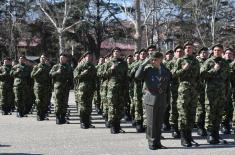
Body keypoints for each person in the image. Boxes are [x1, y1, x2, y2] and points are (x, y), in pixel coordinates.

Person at [135, 52, 170, 150]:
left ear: (161, 59)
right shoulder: (148, 70)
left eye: (156, 59)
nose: (153, 61)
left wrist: (168, 99)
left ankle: (158, 142)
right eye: (152, 59)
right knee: (151, 123)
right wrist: (143, 64)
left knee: (159, 122)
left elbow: (167, 86)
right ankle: (151, 142)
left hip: (162, 98)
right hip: (151, 98)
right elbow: (137, 76)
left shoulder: (165, 70)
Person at [200, 44, 230, 144]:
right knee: (210, 113)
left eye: (219, 50)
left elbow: (227, 79)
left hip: (221, 93)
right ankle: (210, 134)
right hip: (211, 93)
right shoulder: (209, 61)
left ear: (222, 52)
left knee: (219, 113)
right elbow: (202, 75)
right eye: (215, 50)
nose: (217, 52)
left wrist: (226, 92)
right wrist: (214, 69)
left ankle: (216, 134)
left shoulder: (225, 63)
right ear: (213, 51)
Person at [172, 42, 200, 147]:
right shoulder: (180, 60)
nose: (188, 49)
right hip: (183, 90)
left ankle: (189, 137)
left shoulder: (196, 61)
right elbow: (173, 74)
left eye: (190, 48)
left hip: (193, 90)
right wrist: (183, 69)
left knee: (192, 114)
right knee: (183, 114)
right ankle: (183, 138)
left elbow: (198, 76)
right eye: (186, 48)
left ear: (193, 49)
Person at [105, 47, 128, 134]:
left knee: (120, 107)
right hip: (112, 88)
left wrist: (126, 88)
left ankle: (118, 125)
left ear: (120, 53)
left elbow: (126, 76)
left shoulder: (124, 63)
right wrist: (111, 69)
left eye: (118, 51)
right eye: (114, 51)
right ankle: (112, 126)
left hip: (121, 88)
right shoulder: (109, 62)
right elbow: (102, 74)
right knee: (112, 107)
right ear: (112, 53)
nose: (116, 53)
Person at [73, 52, 96, 129]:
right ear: (85, 57)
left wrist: (94, 87)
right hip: (82, 89)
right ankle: (82, 122)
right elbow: (75, 77)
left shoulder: (92, 67)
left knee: (89, 106)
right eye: (88, 56)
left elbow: (94, 78)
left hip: (90, 89)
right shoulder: (80, 66)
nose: (89, 58)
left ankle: (88, 122)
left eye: (90, 56)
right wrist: (83, 73)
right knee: (82, 106)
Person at [50, 52, 73, 124]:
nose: (62, 59)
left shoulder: (69, 67)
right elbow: (50, 74)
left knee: (64, 103)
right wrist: (57, 72)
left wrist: (71, 85)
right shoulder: (55, 66)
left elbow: (71, 77)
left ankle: (63, 117)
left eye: (63, 58)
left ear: (66, 59)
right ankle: (57, 117)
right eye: (61, 58)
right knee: (58, 102)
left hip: (66, 87)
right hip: (58, 87)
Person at [168, 45, 184, 138]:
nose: (179, 53)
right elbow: (170, 75)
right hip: (174, 89)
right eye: (177, 51)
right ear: (174, 53)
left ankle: (182, 128)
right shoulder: (170, 63)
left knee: (183, 109)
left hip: (185, 90)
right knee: (174, 109)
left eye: (181, 51)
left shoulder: (186, 61)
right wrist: (182, 70)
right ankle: (174, 128)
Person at [31, 54, 51, 121]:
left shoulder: (48, 67)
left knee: (45, 101)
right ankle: (39, 115)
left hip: (46, 87)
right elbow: (32, 75)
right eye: (41, 58)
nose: (42, 59)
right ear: (40, 59)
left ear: (45, 59)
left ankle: (43, 114)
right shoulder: (36, 67)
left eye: (44, 58)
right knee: (38, 101)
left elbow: (50, 77)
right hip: (38, 86)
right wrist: (38, 71)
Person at [195, 47, 209, 136]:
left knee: (207, 108)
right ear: (199, 53)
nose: (205, 54)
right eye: (203, 52)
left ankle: (206, 126)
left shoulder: (210, 61)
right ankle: (200, 127)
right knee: (200, 108)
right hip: (199, 88)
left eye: (206, 53)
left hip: (209, 89)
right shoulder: (196, 62)